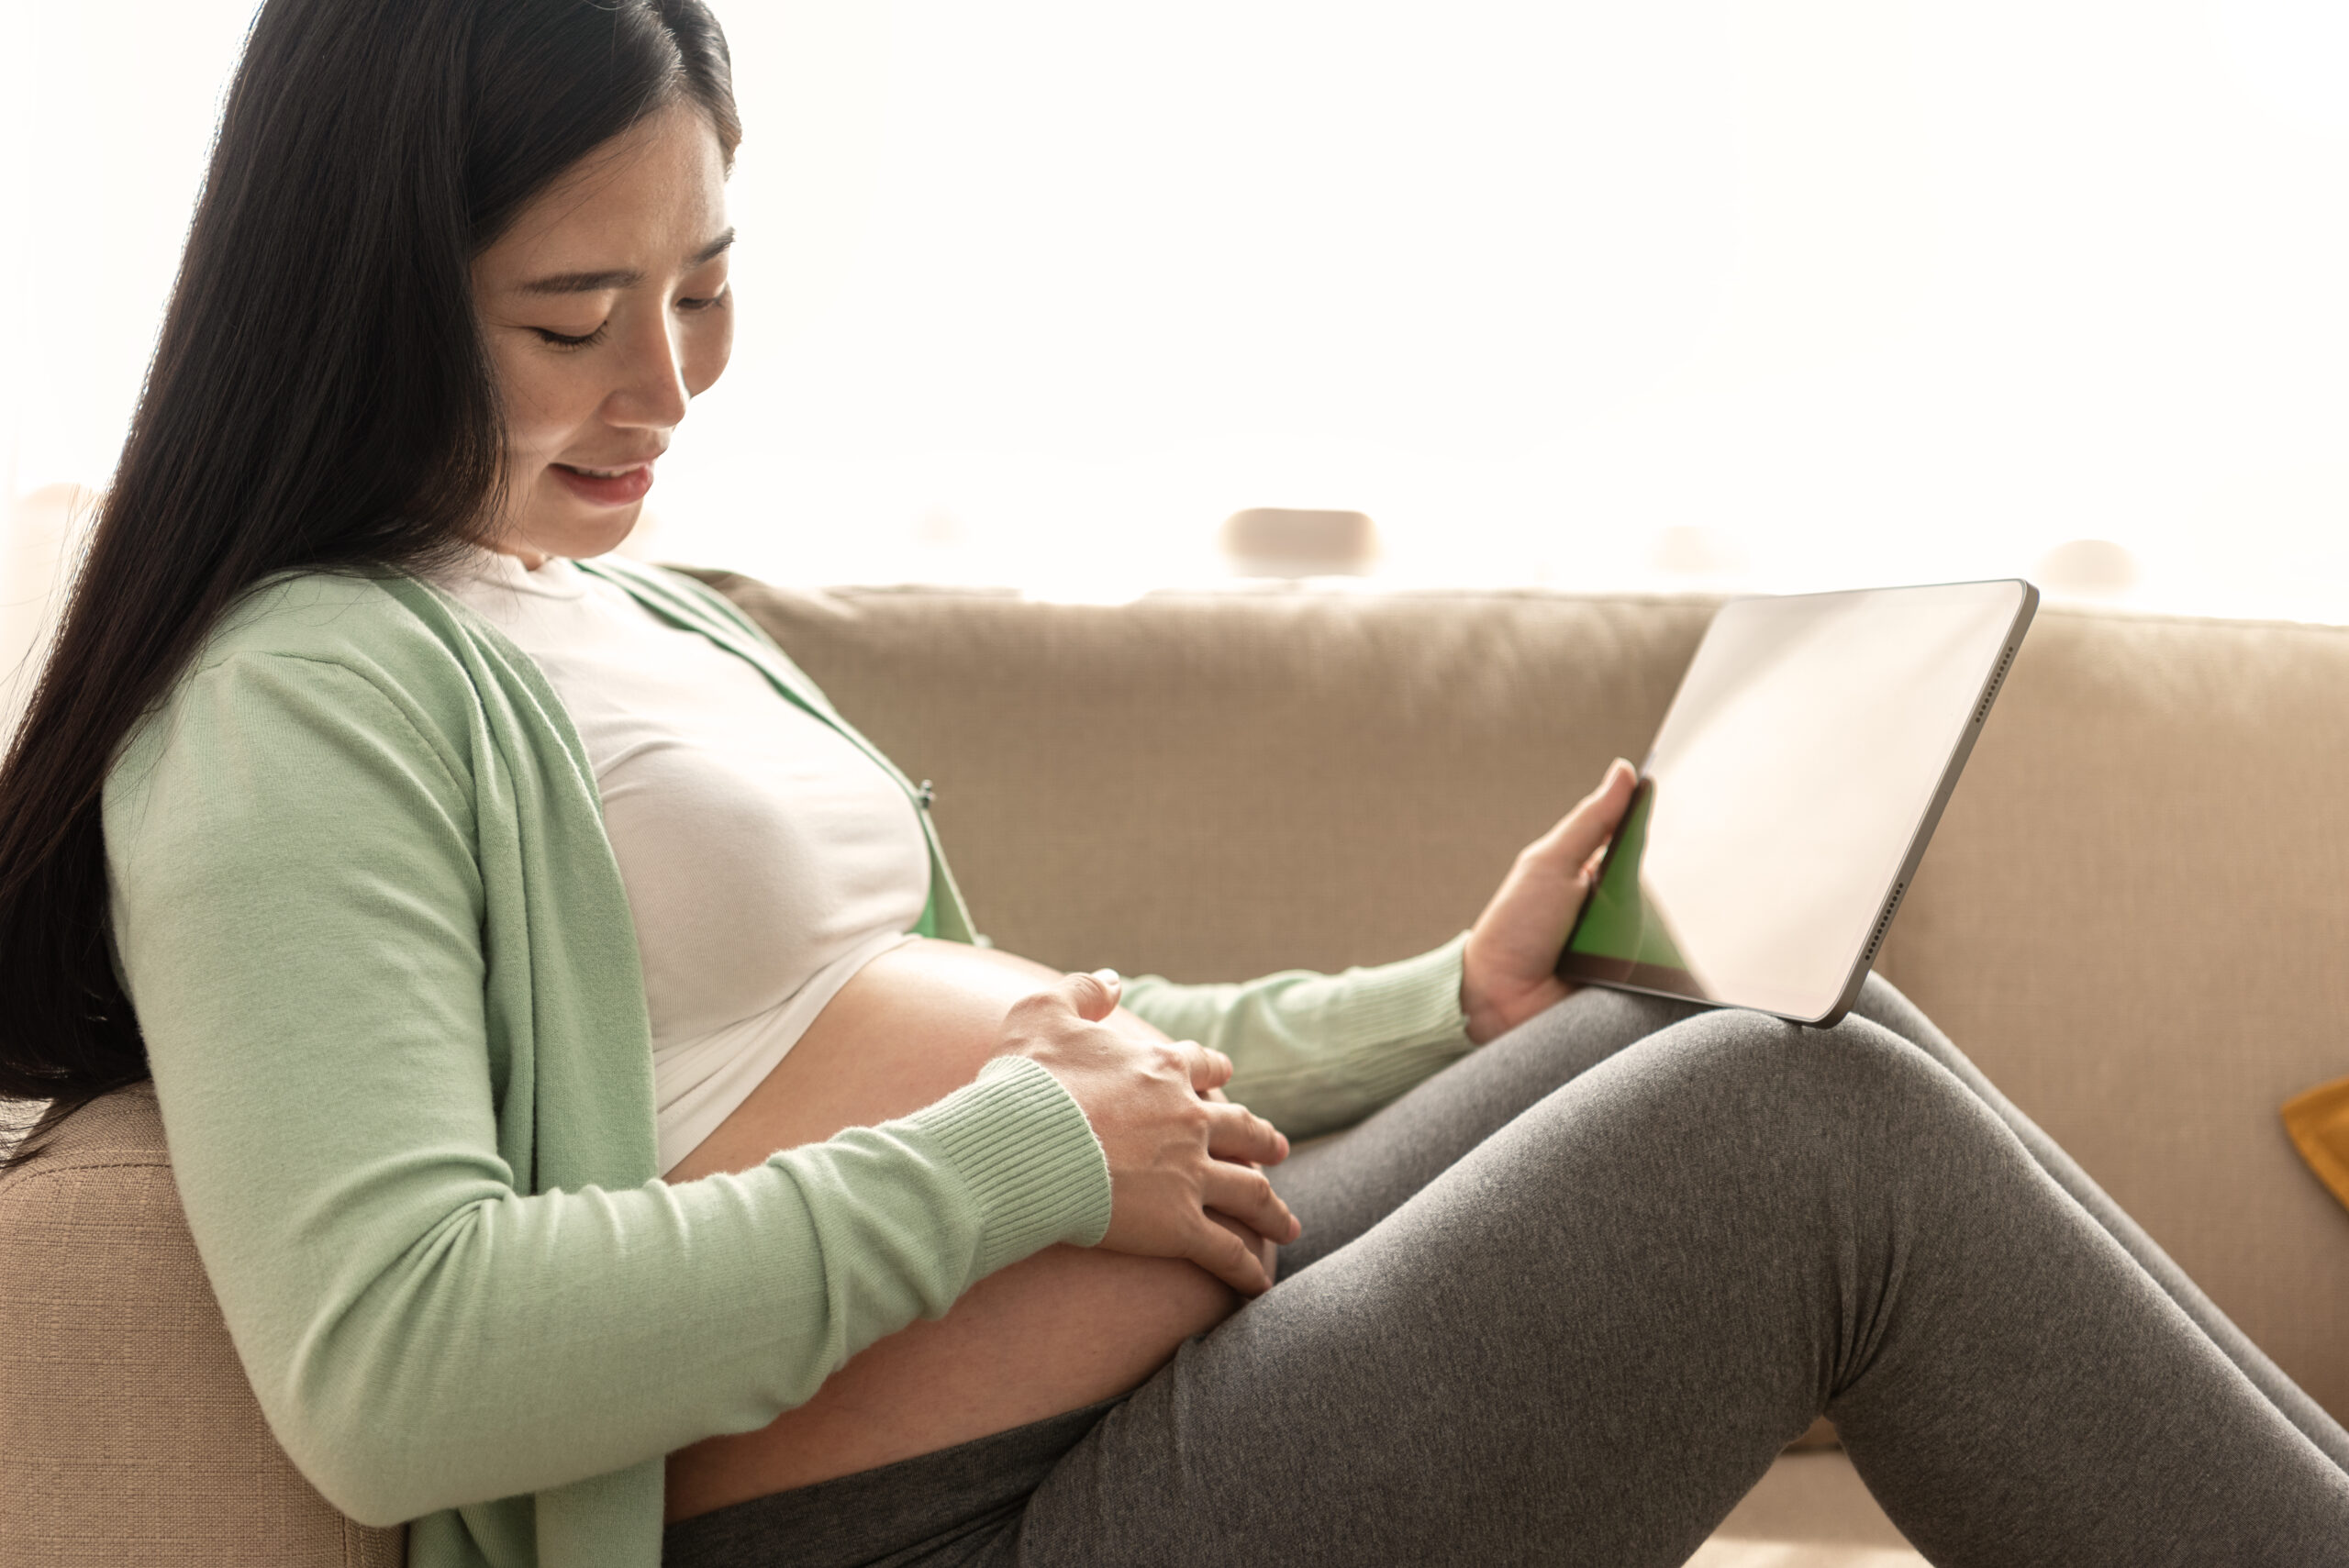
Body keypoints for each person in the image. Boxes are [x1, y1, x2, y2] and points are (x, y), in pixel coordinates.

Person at [1, 3, 2344, 1565]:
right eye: (564, 318)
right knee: (1795, 1142)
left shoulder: (622, 611)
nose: (666, 383)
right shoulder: (292, 696)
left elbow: (964, 1027)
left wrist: (1448, 1000)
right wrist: (1016, 1162)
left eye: (701, 284)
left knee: (1721, 1015)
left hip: (1138, 1365)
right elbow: (397, 1367)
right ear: (353, 291)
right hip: (958, 1526)